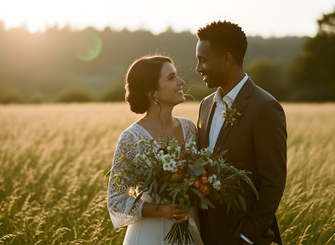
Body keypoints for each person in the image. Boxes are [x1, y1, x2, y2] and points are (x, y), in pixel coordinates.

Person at [195, 21, 287, 245]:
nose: (198, 68)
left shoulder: (264, 107)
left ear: (226, 59)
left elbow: (273, 182)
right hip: (204, 236)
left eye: (203, 60)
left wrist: (246, 237)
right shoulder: (206, 105)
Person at [107, 55, 203, 245]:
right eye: (171, 78)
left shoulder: (190, 129)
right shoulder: (131, 138)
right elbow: (116, 199)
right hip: (149, 235)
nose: (181, 81)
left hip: (190, 230)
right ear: (152, 93)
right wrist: (162, 210)